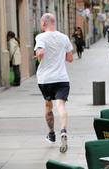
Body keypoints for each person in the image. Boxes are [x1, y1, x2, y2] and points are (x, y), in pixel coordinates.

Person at [34, 13, 73, 153]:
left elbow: (41, 52)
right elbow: (70, 58)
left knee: (48, 105)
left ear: (44, 23)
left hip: (45, 79)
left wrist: (38, 56)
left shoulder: (40, 37)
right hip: (62, 78)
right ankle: (63, 131)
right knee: (61, 105)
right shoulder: (64, 37)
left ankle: (51, 134)